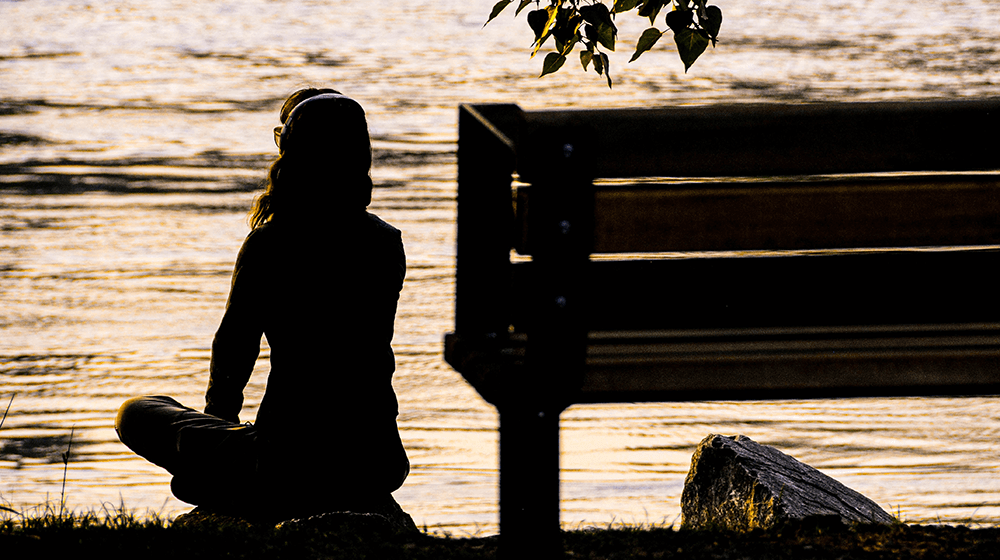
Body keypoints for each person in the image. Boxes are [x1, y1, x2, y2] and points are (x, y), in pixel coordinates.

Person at [116, 88, 409, 521]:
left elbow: (235, 345)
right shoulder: (386, 242)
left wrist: (219, 427)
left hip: (286, 461)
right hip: (375, 460)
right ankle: (235, 470)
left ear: (293, 153)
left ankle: (228, 479)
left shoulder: (270, 243)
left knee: (137, 411)